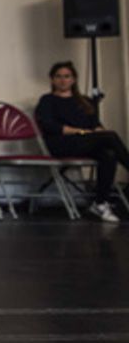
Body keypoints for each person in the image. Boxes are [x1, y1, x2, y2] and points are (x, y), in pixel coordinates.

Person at [35, 60, 127, 223]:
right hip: (61, 143)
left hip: (85, 142)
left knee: (109, 154)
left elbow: (95, 125)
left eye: (67, 76)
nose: (63, 80)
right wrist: (80, 131)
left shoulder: (84, 101)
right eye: (58, 76)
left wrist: (97, 132)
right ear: (52, 79)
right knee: (110, 137)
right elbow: (49, 126)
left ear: (73, 79)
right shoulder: (47, 100)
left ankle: (100, 203)